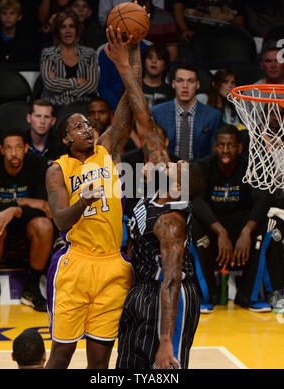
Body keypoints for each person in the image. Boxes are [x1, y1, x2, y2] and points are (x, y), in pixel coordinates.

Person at [104, 25, 202, 369]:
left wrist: (165, 342)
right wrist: (127, 66)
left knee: (162, 370)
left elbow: (172, 278)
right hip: (143, 288)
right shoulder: (156, 183)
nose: (169, 161)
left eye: (179, 166)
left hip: (171, 298)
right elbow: (143, 121)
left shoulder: (171, 219)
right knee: (126, 366)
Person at [44, 34, 140, 370]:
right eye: (78, 126)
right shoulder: (59, 169)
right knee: (61, 355)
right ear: (67, 137)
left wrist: (132, 50)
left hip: (113, 264)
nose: (88, 128)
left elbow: (130, 99)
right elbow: (59, 220)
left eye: (88, 123)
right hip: (77, 265)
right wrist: (82, 201)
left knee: (100, 362)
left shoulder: (107, 151)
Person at [191, 124, 284, 313]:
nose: (225, 150)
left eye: (230, 145)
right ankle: (206, 295)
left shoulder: (250, 167)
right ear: (215, 147)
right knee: (193, 226)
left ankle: (248, 296)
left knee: (269, 226)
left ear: (239, 148)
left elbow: (263, 199)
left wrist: (247, 231)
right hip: (214, 230)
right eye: (221, 145)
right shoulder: (202, 167)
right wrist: (221, 231)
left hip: (243, 230)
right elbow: (196, 202)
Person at [0, 128, 54, 313]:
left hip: (28, 224)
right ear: (1, 150)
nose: (13, 153)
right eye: (8, 148)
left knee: (44, 226)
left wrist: (14, 210)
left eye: (18, 147)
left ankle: (31, 288)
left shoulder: (38, 165)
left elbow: (47, 209)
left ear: (26, 148)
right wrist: (21, 205)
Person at [151, 62, 222, 161]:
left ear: (197, 85)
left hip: (200, 172)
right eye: (180, 81)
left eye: (191, 81)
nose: (185, 86)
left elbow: (214, 155)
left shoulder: (213, 116)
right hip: (165, 172)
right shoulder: (156, 113)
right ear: (173, 84)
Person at [40, 10, 98, 113]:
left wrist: (61, 86)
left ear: (77, 29)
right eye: (63, 27)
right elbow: (49, 83)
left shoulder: (89, 54)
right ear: (58, 31)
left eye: (71, 26)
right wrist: (76, 82)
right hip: (55, 107)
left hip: (82, 106)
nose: (68, 31)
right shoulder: (48, 54)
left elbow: (92, 86)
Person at [26, 99, 66, 167]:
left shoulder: (62, 145)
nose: (42, 121)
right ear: (29, 118)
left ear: (53, 121)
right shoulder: (20, 144)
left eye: (47, 117)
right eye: (38, 116)